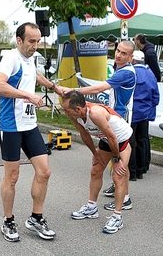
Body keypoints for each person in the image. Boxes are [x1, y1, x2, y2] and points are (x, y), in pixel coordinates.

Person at [0, 22, 63, 242]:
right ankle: (8, 220)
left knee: (44, 172)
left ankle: (36, 218)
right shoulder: (11, 58)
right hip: (10, 126)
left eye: (38, 40)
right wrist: (28, 96)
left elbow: (34, 74)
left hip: (29, 124)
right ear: (19, 40)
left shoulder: (29, 58)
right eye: (31, 41)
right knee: (12, 177)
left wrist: (54, 87)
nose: (36, 45)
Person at [63, 40, 136, 206]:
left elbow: (97, 89)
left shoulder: (126, 72)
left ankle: (124, 197)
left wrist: (73, 91)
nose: (118, 55)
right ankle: (117, 192)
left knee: (120, 166)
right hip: (110, 115)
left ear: (131, 57)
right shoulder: (120, 68)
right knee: (100, 167)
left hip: (121, 118)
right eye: (118, 50)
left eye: (124, 53)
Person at [62, 91, 133, 234]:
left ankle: (117, 217)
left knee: (117, 176)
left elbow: (113, 137)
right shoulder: (74, 115)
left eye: (67, 110)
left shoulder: (95, 113)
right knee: (95, 170)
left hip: (121, 139)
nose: (65, 113)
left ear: (78, 109)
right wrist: (95, 154)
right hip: (107, 140)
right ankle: (91, 207)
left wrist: (116, 160)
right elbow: (84, 134)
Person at [128, 51, 159, 180]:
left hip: (132, 113)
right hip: (145, 113)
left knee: (131, 142)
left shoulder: (130, 73)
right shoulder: (150, 73)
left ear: (133, 60)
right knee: (143, 140)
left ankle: (132, 172)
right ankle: (142, 169)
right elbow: (156, 97)